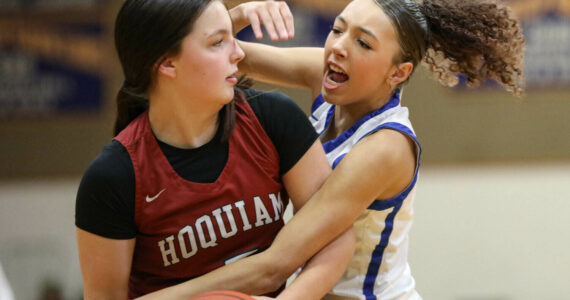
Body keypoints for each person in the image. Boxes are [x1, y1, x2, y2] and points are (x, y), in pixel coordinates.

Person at [237, 0, 525, 299]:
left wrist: (184, 293)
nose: (339, 46)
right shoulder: (330, 77)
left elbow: (276, 265)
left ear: (398, 73)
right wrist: (238, 14)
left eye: (363, 42)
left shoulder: (385, 147)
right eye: (337, 29)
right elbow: (219, 53)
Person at [75, 0, 355, 299]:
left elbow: (334, 236)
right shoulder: (113, 176)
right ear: (167, 63)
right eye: (218, 42)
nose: (240, 53)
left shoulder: (273, 119)